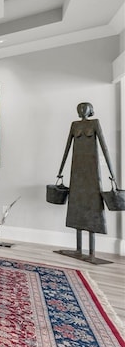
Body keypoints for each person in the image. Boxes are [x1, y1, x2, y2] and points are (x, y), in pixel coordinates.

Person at [56, 102, 116, 263]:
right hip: (76, 171)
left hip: (91, 171)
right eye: (80, 108)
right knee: (76, 206)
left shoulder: (94, 123)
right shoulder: (74, 125)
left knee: (93, 206)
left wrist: (112, 173)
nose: (82, 110)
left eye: (85, 108)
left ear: (90, 110)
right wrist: (60, 170)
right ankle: (78, 248)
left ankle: (91, 251)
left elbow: (103, 146)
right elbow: (67, 147)